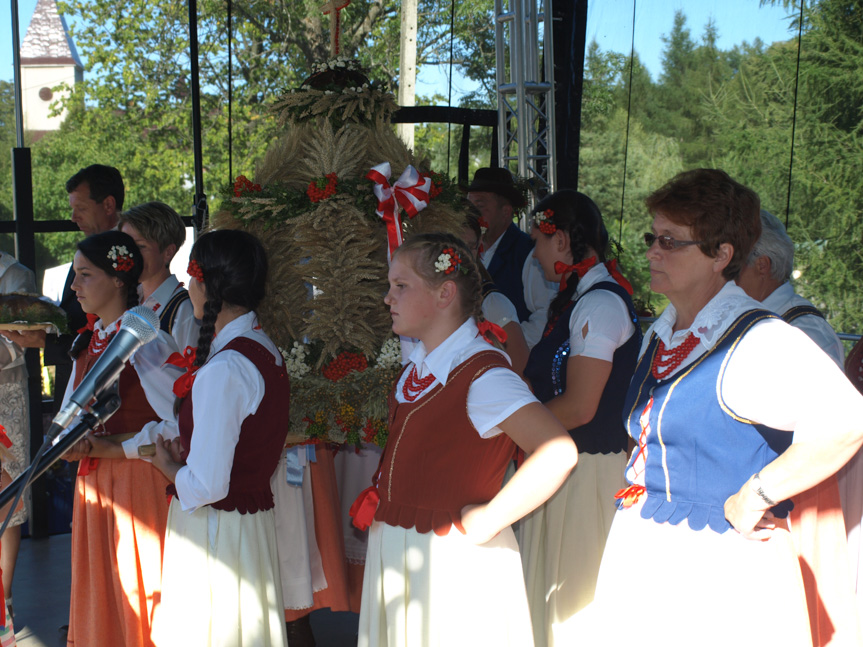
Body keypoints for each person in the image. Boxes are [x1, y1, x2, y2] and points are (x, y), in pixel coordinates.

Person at [572, 169, 863, 646]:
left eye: (670, 241)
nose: (652, 251)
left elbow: (848, 418)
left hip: (714, 569)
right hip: (647, 554)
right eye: (653, 236)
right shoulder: (662, 334)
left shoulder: (756, 338)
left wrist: (757, 494)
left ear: (721, 255)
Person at [351, 232, 578, 647]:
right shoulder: (422, 365)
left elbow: (557, 452)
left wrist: (490, 518)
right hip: (405, 550)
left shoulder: (484, 376)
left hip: (449, 562)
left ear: (445, 294)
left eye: (401, 286)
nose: (388, 298)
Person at [150, 230, 288, 647]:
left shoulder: (225, 367)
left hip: (219, 533)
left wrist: (167, 465)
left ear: (205, 285)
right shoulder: (264, 348)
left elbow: (208, 485)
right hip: (248, 529)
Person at [519, 190, 640, 646]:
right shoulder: (581, 300)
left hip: (588, 474)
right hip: (565, 466)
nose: (534, 252)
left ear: (564, 241)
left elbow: (580, 406)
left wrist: (512, 430)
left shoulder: (601, 304)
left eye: (539, 241)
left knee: (573, 612)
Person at [737, 210, 861, 643]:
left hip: (794, 502)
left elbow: (825, 432)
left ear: (762, 266)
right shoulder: (754, 322)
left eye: (736, 261)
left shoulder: (802, 328)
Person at [60, 230, 177, 647]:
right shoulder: (90, 341)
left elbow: (180, 420)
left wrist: (114, 445)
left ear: (117, 280)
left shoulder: (147, 342)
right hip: (93, 483)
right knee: (103, 591)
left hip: (137, 481)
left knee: (139, 590)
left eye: (85, 275)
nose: (74, 286)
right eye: (75, 275)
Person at [7, 165, 125, 412]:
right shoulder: (87, 248)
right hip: (72, 380)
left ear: (108, 205)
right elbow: (73, 316)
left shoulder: (128, 256)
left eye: (80, 208)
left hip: (105, 395)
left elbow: (111, 337)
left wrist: (46, 343)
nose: (73, 218)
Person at [465, 167, 556, 347]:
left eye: (480, 206)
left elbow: (546, 315)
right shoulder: (468, 251)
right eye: (469, 206)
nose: (472, 214)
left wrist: (507, 344)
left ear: (506, 212)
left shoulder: (529, 254)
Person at [0, 251, 38, 623]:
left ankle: (4, 598)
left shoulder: (14, 275)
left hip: (3, 397)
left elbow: (24, 339)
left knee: (6, 502)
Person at [118, 201, 199, 351]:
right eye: (126, 247)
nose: (130, 255)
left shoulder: (183, 309)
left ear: (168, 252)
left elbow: (193, 371)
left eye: (141, 246)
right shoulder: (123, 297)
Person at [462, 208, 530, 376]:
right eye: (456, 246)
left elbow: (523, 377)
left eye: (470, 247)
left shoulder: (493, 304)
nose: (464, 256)